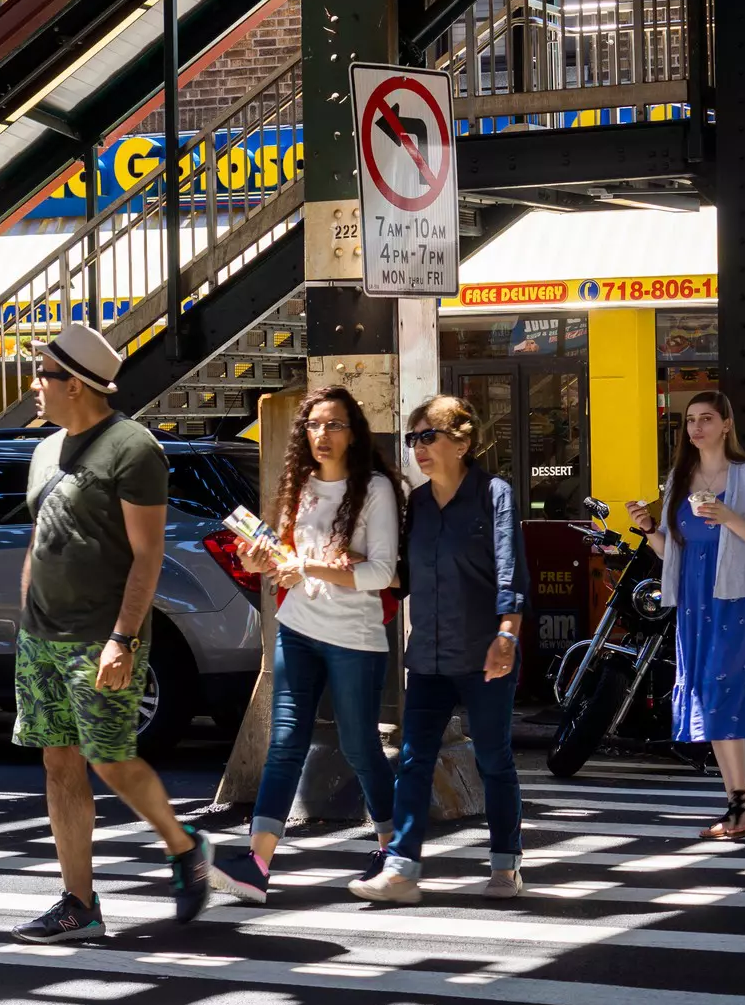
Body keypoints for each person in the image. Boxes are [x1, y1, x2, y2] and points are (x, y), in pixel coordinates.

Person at [9, 324, 211, 943]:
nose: (34, 386)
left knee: (110, 759)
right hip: (40, 637)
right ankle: (79, 902)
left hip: (102, 636)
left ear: (75, 383)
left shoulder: (133, 448)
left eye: (42, 374)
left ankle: (184, 846)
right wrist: (25, 622)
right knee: (59, 764)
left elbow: (147, 555)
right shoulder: (46, 450)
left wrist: (123, 640)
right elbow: (38, 542)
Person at [215, 387, 402, 902]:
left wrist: (308, 567)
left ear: (354, 432)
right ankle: (256, 863)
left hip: (354, 638)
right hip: (297, 627)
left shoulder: (376, 490)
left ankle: (392, 849)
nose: (322, 435)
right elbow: (286, 560)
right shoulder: (300, 485)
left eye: (335, 425)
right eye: (314, 426)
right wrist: (262, 563)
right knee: (285, 744)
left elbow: (383, 571)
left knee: (360, 745)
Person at [354, 396, 529, 904]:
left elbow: (510, 573)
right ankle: (402, 868)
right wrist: (353, 565)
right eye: (413, 439)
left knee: (494, 758)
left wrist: (508, 636)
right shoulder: (419, 505)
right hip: (427, 655)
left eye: (428, 436)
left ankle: (505, 863)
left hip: (484, 653)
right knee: (413, 759)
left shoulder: (494, 494)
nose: (418, 449)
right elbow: (402, 577)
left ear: (464, 441)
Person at [627, 390, 745, 839]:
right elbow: (672, 550)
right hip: (693, 600)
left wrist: (728, 516)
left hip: (734, 596)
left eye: (707, 418)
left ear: (726, 424)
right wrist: (648, 530)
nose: (697, 427)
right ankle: (739, 802)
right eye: (691, 420)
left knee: (721, 692)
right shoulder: (680, 475)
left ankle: (743, 803)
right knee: (704, 693)